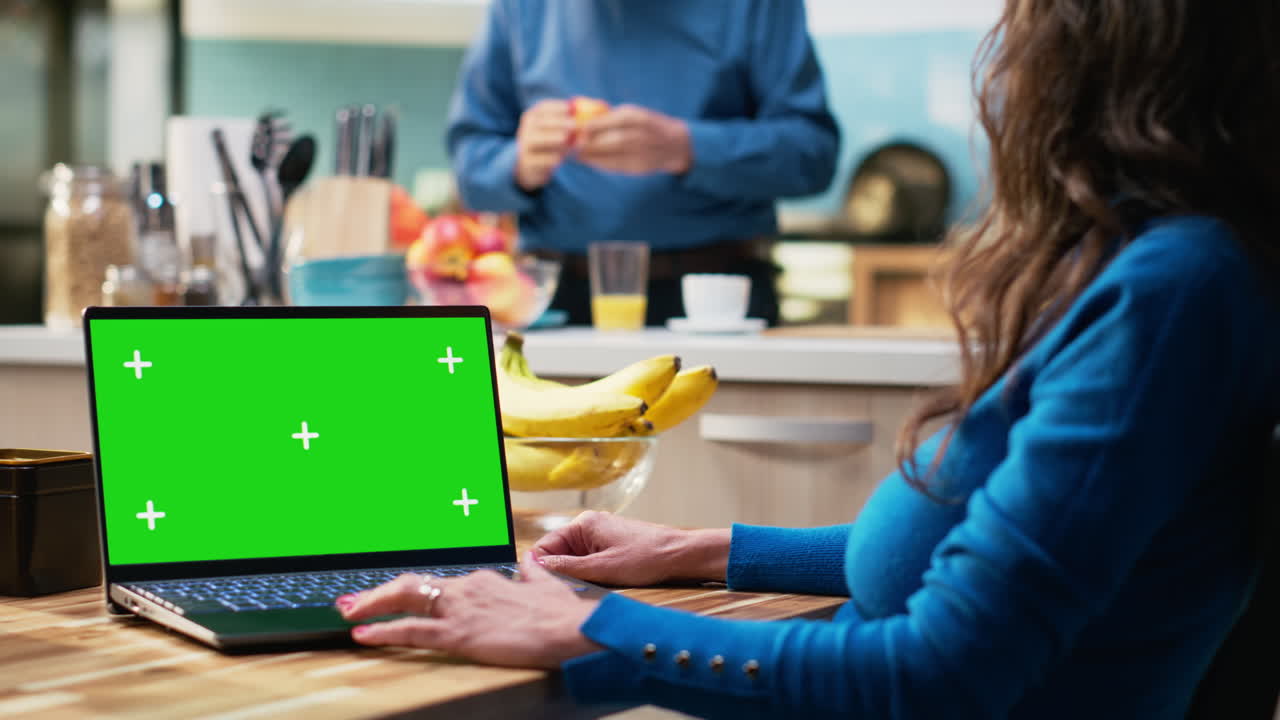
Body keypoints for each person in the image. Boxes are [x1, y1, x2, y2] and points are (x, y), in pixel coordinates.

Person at [338, 1, 1280, 717]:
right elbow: (985, 551)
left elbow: (944, 671)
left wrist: (588, 628)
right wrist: (696, 551)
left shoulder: (1170, 293)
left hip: (715, 271)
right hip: (564, 275)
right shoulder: (1152, 272)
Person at [444, 0, 840, 327]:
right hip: (551, 302)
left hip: (714, 300)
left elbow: (813, 153)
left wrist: (688, 148)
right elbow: (469, 168)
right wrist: (518, 165)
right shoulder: (519, 8)